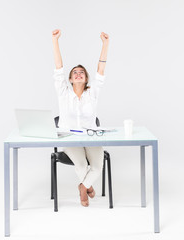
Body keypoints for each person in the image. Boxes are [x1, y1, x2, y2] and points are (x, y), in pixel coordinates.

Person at [51, 29, 109, 207]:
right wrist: (55, 41)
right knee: (83, 165)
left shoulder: (92, 94)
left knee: (98, 166)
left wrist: (105, 44)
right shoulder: (63, 93)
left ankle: (83, 187)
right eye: (74, 72)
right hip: (69, 138)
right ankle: (87, 187)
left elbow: (100, 70)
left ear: (85, 79)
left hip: (91, 136)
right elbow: (58, 68)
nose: (78, 74)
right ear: (69, 79)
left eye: (81, 72)